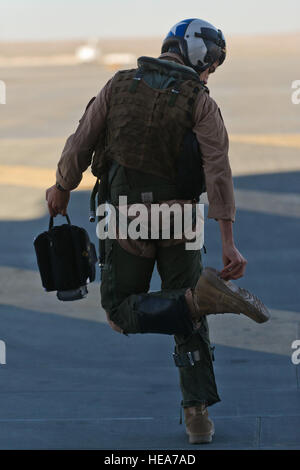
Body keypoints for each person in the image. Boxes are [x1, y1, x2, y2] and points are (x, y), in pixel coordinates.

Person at [46, 18, 269, 444]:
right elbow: (217, 169)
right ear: (198, 55)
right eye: (212, 64)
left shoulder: (117, 85)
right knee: (192, 309)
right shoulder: (200, 101)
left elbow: (81, 142)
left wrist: (61, 187)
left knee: (117, 310)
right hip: (181, 220)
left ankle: (193, 300)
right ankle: (197, 416)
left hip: (125, 217)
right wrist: (228, 242)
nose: (210, 73)